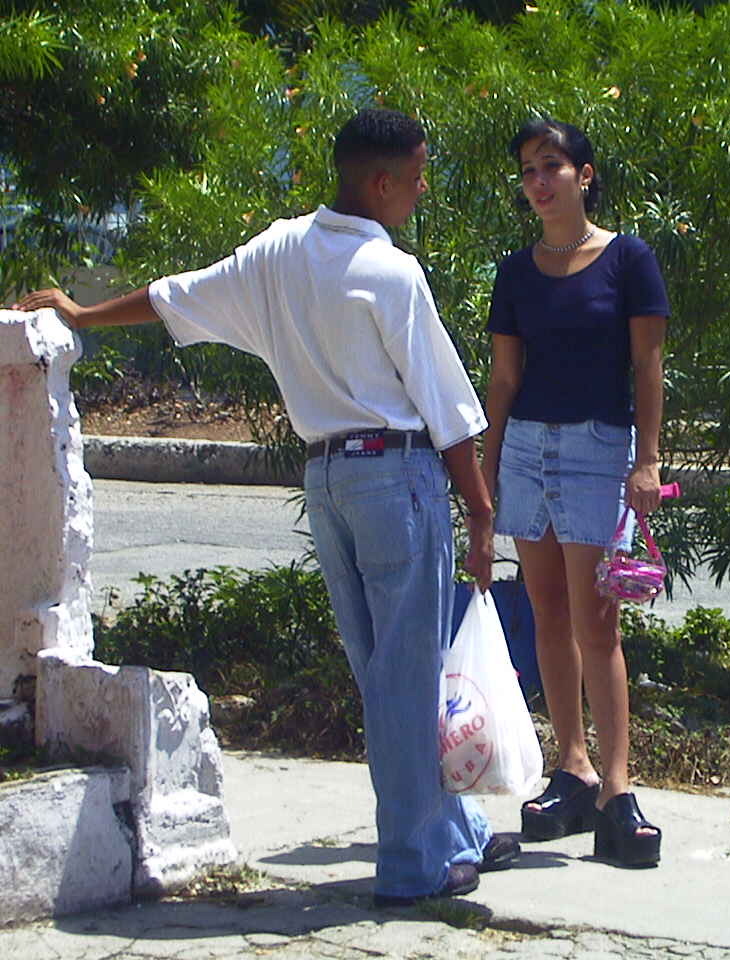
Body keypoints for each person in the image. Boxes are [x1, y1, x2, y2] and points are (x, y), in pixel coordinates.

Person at [13, 107, 518, 903]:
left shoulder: (279, 251)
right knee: (407, 674)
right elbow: (447, 411)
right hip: (396, 475)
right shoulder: (393, 274)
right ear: (381, 182)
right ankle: (417, 864)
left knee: (380, 673)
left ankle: (454, 830)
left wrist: (82, 314)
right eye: (417, 178)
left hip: (327, 482)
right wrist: (483, 514)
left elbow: (177, 296)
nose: (421, 192)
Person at [481, 118, 670, 867]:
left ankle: (618, 790)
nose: (538, 180)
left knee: (598, 624)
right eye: (528, 169)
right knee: (545, 615)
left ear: (584, 175)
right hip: (526, 448)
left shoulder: (628, 259)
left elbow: (648, 366)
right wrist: (486, 472)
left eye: (551, 165)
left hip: (598, 449)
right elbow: (503, 379)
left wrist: (647, 460)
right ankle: (573, 766)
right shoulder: (515, 272)